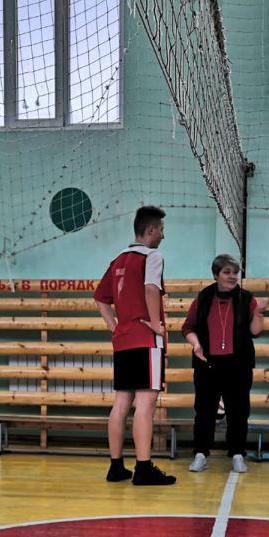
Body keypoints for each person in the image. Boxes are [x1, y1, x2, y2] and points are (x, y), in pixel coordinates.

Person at [93, 206, 176, 485]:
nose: (163, 235)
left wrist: (114, 326)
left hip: (124, 340)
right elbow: (151, 288)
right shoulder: (152, 256)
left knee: (121, 402)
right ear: (151, 230)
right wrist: (154, 323)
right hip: (145, 339)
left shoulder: (118, 260)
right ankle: (143, 468)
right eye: (161, 230)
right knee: (145, 403)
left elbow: (100, 299)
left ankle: (116, 466)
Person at [182, 254, 266, 474]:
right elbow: (188, 328)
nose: (232, 276)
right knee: (204, 410)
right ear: (216, 275)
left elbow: (255, 332)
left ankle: (237, 454)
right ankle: (201, 454)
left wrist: (258, 313)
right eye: (227, 272)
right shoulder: (203, 298)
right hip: (207, 363)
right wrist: (196, 344)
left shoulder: (247, 299)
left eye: (235, 273)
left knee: (239, 411)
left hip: (238, 364)